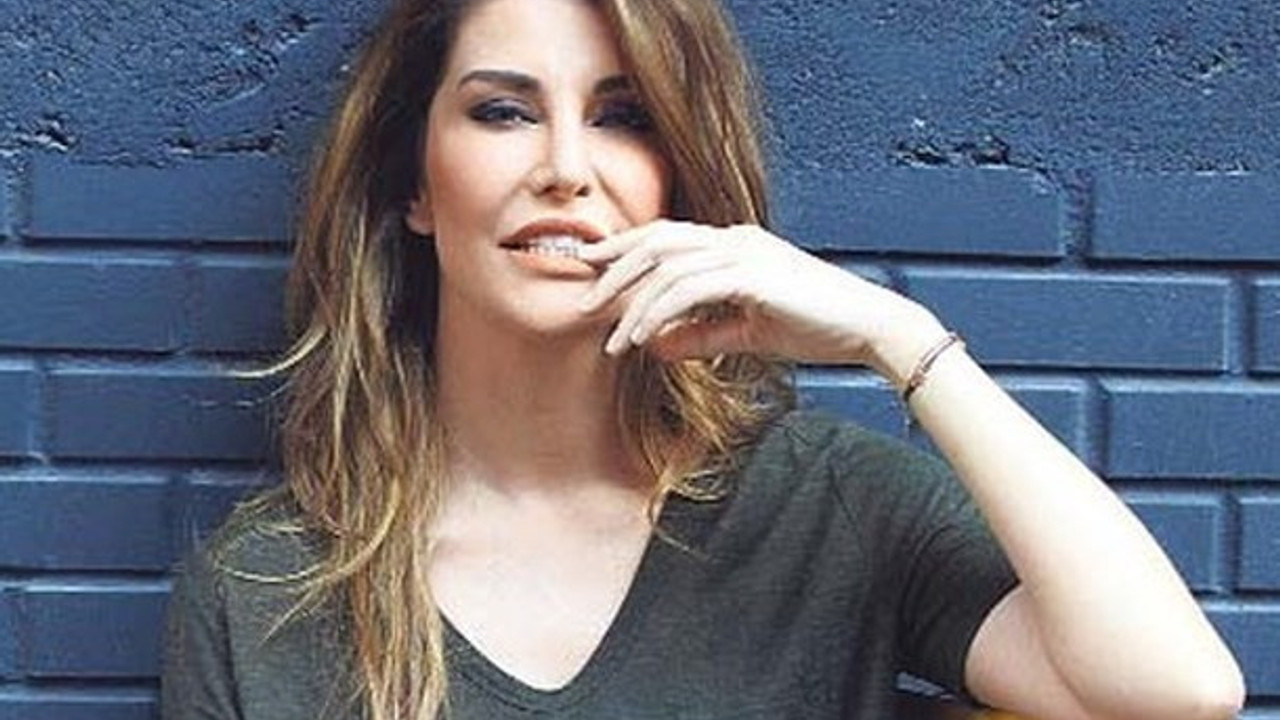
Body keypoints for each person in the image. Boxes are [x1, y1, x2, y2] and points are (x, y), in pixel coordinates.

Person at [160, 0, 1245, 718]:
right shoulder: (265, 588)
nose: (565, 169)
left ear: (678, 177)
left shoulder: (825, 509)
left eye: (623, 118)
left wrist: (901, 341)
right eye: (503, 112)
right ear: (414, 186)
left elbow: (1176, 690)